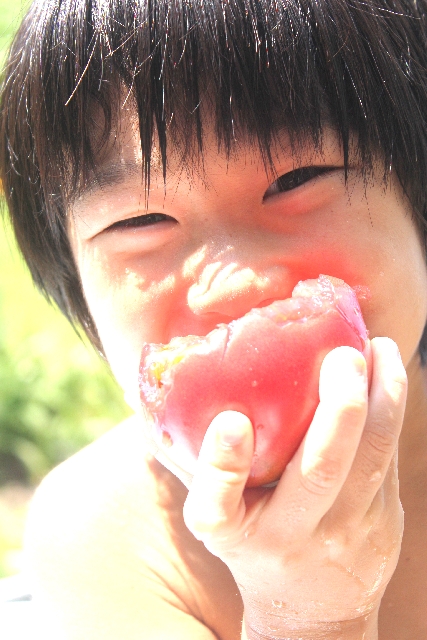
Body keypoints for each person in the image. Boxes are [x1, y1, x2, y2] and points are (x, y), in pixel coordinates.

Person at [1, 0, 426, 637]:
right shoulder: (110, 537)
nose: (236, 285)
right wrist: (309, 619)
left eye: (296, 178)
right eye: (139, 221)